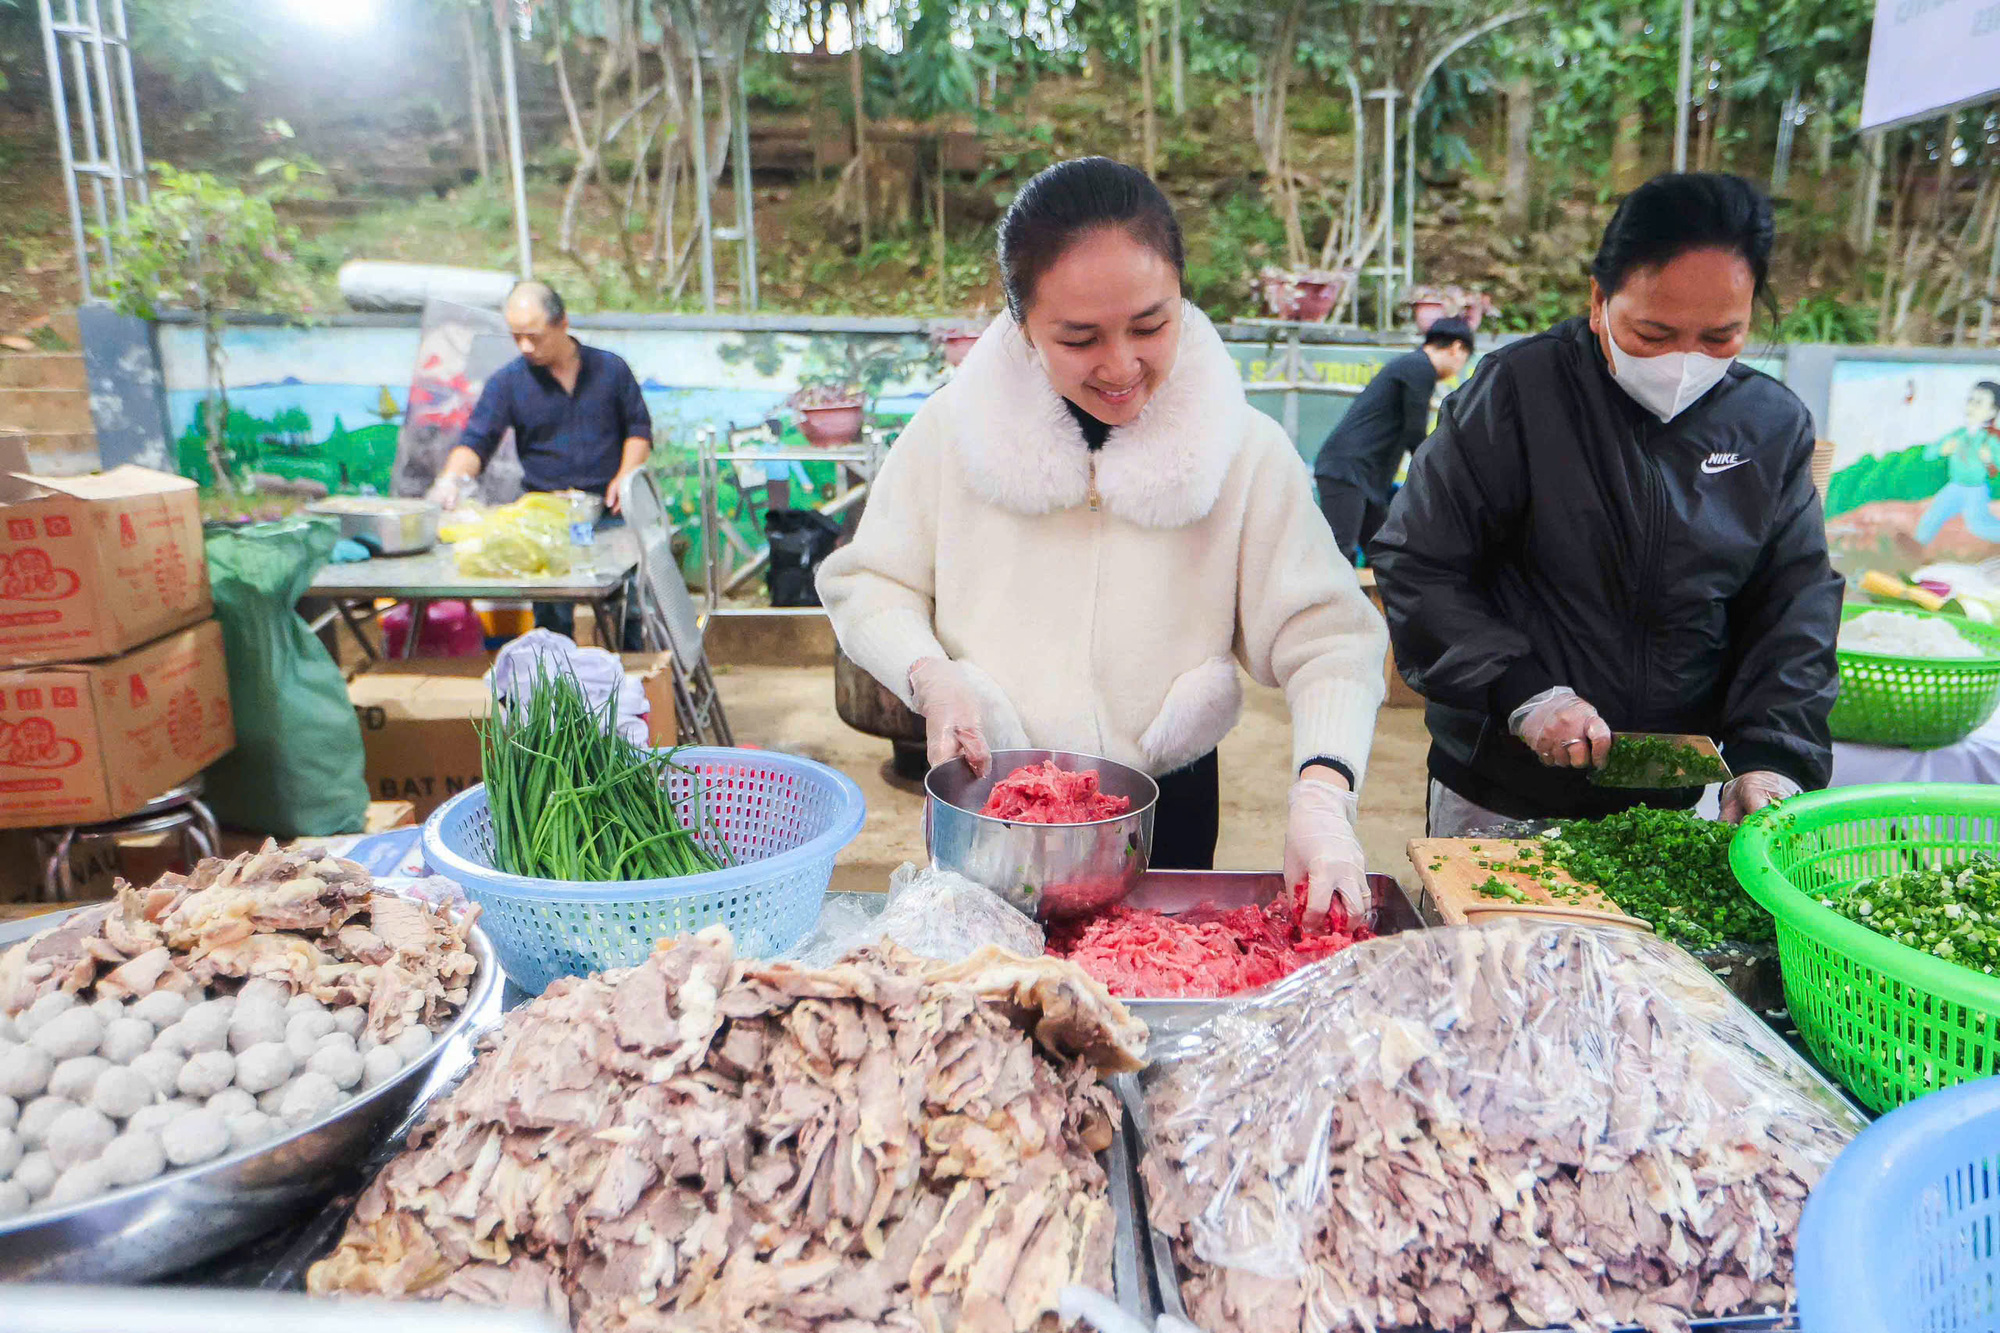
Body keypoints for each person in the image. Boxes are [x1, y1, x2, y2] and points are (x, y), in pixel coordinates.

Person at [818, 157, 1389, 925]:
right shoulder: (952, 435)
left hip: (1165, 803)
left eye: (1152, 325)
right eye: (1080, 337)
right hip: (991, 796)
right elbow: (869, 582)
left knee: (1154, 1001)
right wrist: (930, 677)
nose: (1122, 366)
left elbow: (1331, 638)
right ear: (1023, 326)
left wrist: (1324, 791)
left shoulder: (1242, 451)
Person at [1370, 172, 1842, 836]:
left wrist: (1773, 754)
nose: (1684, 360)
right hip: (1501, 787)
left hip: (1668, 801)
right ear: (1599, 301)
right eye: (1653, 333)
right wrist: (1523, 691)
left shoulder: (1769, 426)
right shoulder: (1518, 395)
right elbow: (1419, 560)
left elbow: (1793, 605)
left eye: (1720, 337)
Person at [428, 280, 652, 642]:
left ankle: (637, 681)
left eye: (535, 336)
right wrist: (450, 481)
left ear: (562, 323)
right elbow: (476, 442)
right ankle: (556, 692)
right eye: (517, 337)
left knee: (629, 612)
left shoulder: (612, 371)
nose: (526, 347)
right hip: (547, 522)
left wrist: (625, 477)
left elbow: (639, 430)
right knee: (551, 622)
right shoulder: (507, 383)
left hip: (613, 516)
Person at [1312, 317, 1475, 564]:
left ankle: (1370, 603)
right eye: (1463, 360)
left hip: (1367, 475)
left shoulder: (1413, 367)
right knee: (1340, 552)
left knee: (1383, 555)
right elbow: (1415, 432)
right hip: (1347, 469)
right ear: (1456, 348)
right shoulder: (1419, 368)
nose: (1458, 368)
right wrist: (1439, 478)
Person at [1913, 381, 2000, 546]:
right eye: (1970, 400)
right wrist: (1942, 450)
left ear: (1992, 411)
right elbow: (1928, 453)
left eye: (1979, 403)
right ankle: (1916, 547)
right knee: (1932, 516)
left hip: (1975, 488)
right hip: (1954, 486)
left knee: (1979, 525)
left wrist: (1989, 459)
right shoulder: (1958, 434)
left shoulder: (1989, 440)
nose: (1971, 406)